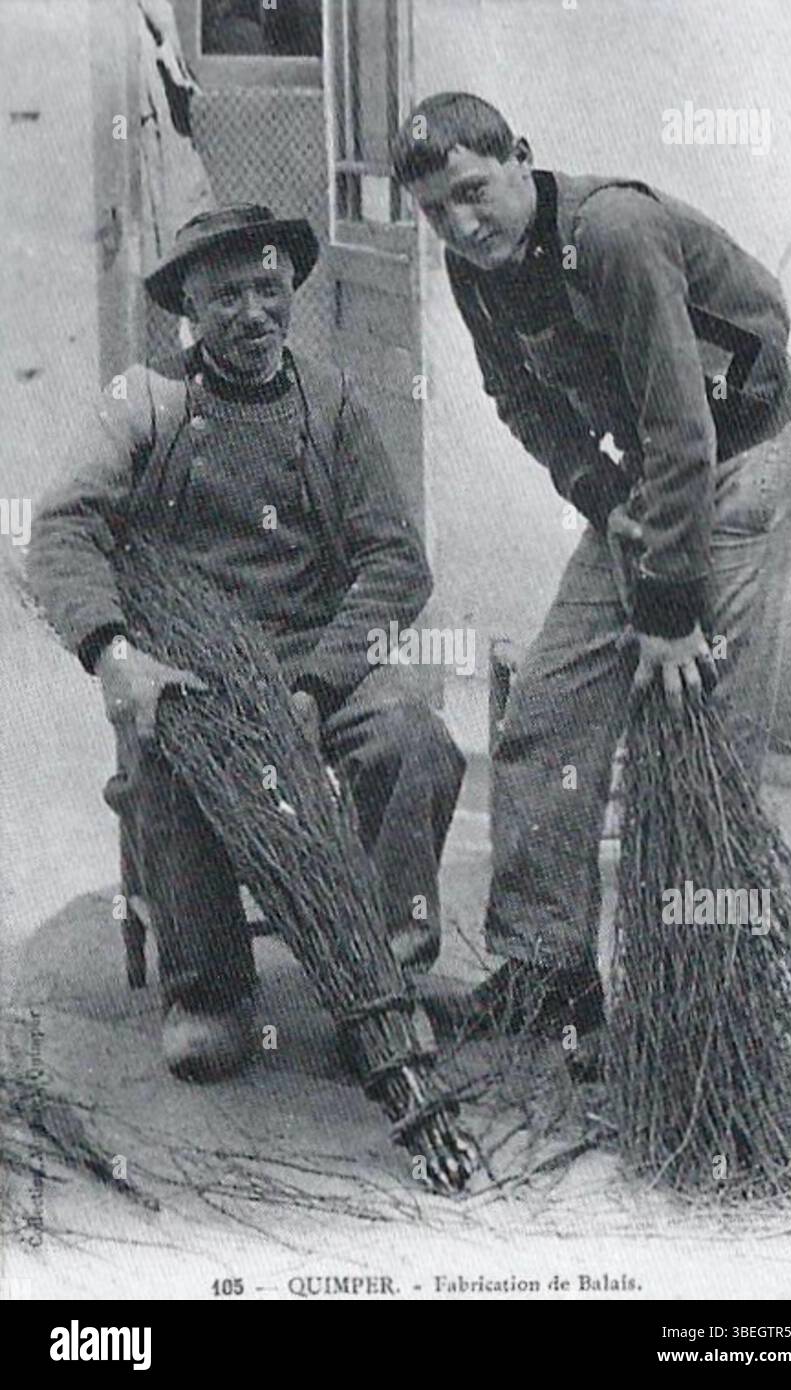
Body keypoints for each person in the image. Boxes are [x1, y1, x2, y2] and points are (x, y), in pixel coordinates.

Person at [391, 92, 791, 1061]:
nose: (460, 223)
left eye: (472, 191)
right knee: (543, 712)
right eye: (434, 212)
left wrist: (665, 605)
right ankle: (543, 973)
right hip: (653, 475)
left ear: (520, 159)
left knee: (698, 732)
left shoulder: (608, 231)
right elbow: (517, 398)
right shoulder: (475, 267)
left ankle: (700, 1012)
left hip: (737, 466)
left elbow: (680, 416)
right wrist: (597, 491)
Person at [28, 204, 465, 1081]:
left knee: (415, 739)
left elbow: (395, 565)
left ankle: (387, 975)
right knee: (167, 757)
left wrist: (317, 683)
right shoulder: (144, 404)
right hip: (191, 666)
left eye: (270, 288)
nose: (253, 313)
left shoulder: (333, 404)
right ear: (187, 304)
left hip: (314, 659)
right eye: (227, 296)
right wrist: (115, 654)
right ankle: (210, 987)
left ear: (292, 289)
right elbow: (61, 530)